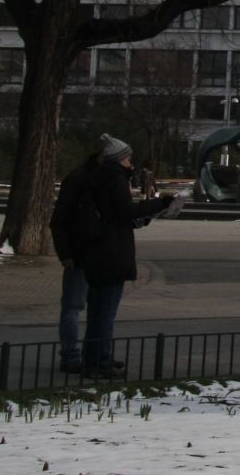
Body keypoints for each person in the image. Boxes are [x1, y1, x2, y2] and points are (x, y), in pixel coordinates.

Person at [73, 133, 175, 376]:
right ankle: (99, 361)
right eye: (128, 159)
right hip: (112, 252)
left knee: (97, 310)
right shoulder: (115, 178)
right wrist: (159, 204)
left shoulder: (95, 177)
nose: (130, 163)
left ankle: (94, 357)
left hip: (97, 252)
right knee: (105, 312)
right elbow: (125, 210)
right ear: (119, 159)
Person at [47, 148, 101, 372]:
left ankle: (89, 355)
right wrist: (66, 253)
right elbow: (60, 219)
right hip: (81, 253)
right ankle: (72, 355)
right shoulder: (80, 180)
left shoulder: (93, 179)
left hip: (93, 252)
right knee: (74, 306)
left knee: (85, 306)